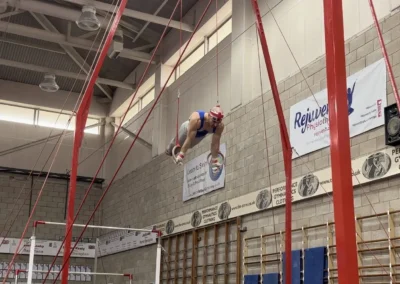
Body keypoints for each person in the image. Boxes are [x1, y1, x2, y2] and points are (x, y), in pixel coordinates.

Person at [166, 105, 225, 172]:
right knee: (179, 143)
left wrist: (214, 160)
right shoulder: (197, 119)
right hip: (187, 130)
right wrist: (181, 155)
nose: (215, 125)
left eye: (218, 122)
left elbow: (215, 144)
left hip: (199, 135)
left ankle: (178, 150)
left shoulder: (219, 127)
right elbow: (189, 138)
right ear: (209, 115)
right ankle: (170, 149)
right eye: (214, 121)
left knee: (189, 146)